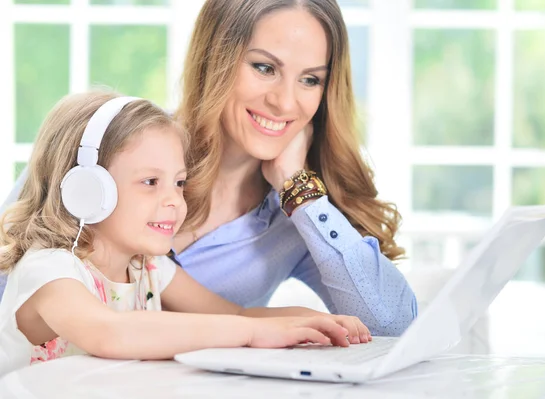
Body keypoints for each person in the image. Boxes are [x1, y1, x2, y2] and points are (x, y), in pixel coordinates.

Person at [0, 91, 371, 376]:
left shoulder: (148, 267)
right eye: (150, 182)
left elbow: (237, 314)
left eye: (178, 183)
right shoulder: (49, 270)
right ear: (86, 189)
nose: (175, 201)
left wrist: (305, 322)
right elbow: (110, 333)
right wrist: (253, 334)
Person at [170, 0, 417, 337]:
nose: (285, 103)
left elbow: (393, 325)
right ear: (214, 58)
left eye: (310, 80)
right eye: (264, 68)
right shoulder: (127, 149)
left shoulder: (296, 221)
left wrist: (298, 189)